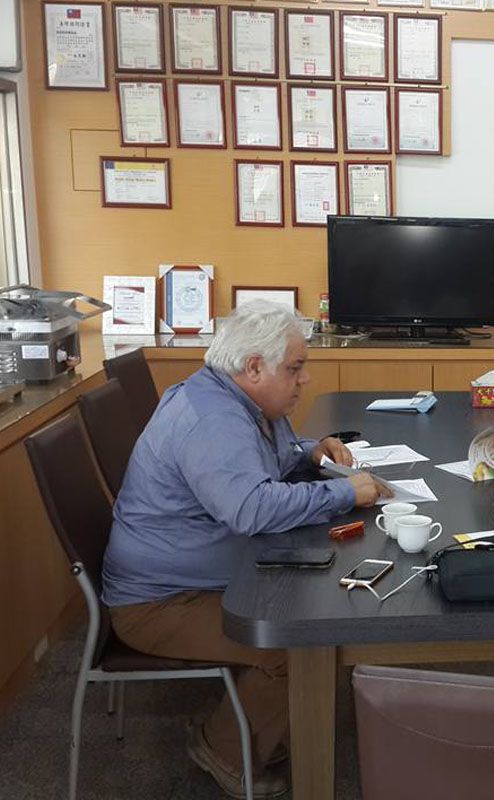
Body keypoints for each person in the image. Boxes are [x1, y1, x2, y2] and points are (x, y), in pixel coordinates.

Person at [102, 301, 391, 798]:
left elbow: (265, 461)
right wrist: (345, 492)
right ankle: (220, 748)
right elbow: (251, 509)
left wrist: (309, 452)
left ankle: (259, 725)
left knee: (311, 607)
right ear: (254, 367)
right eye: (295, 368)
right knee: (295, 644)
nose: (304, 379)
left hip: (202, 575)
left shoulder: (239, 401)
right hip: (159, 602)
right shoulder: (212, 420)